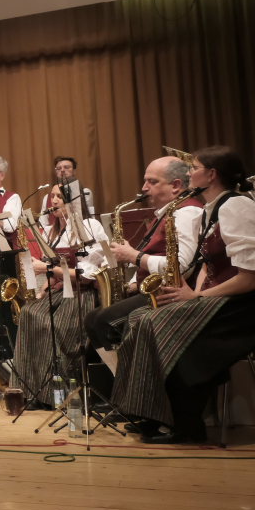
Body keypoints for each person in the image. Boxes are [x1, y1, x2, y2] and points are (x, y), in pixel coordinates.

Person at [111, 146, 255, 444]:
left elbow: (251, 278)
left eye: (193, 168)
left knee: (156, 324)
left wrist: (198, 299)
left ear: (211, 174)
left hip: (251, 306)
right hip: (223, 298)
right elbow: (207, 263)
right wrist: (194, 292)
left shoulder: (237, 207)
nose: (189, 173)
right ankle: (152, 412)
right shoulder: (211, 208)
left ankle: (186, 425)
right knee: (140, 317)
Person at [83, 156, 203, 374]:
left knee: (105, 321)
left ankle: (128, 380)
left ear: (176, 185)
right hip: (152, 289)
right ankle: (118, 379)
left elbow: (181, 267)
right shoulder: (167, 213)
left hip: (168, 294)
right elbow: (154, 254)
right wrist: (131, 282)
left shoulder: (186, 213)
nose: (144, 188)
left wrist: (134, 256)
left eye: (152, 182)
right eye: (145, 181)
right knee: (93, 319)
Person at [12, 184, 107, 406]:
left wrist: (48, 269)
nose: (53, 201)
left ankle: (56, 395)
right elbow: (56, 272)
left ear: (74, 202)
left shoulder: (89, 226)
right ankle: (30, 391)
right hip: (60, 291)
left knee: (50, 325)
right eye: (52, 196)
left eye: (59, 197)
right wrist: (45, 285)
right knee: (28, 314)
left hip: (82, 294)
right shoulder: (53, 232)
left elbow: (87, 275)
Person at [40, 156, 96, 223]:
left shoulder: (85, 192)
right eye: (58, 168)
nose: (62, 170)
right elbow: (43, 223)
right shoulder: (47, 197)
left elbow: (88, 217)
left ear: (74, 171)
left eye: (66, 167)